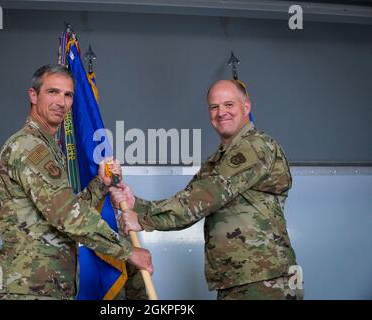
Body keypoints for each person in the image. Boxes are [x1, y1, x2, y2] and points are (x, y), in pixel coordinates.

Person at [110, 79, 303, 300]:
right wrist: (136, 203)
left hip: (266, 280)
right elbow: (190, 199)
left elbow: (205, 197)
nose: (221, 112)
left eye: (229, 104)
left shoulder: (256, 146)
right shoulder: (218, 160)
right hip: (236, 280)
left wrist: (144, 220)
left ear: (246, 107)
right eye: (214, 107)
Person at [0, 64, 153, 300]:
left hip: (48, 287)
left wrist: (101, 182)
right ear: (33, 95)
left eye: (68, 95)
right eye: (53, 92)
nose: (61, 102)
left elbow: (64, 209)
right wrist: (127, 251)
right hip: (29, 288)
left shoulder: (48, 147)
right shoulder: (30, 147)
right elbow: (67, 215)